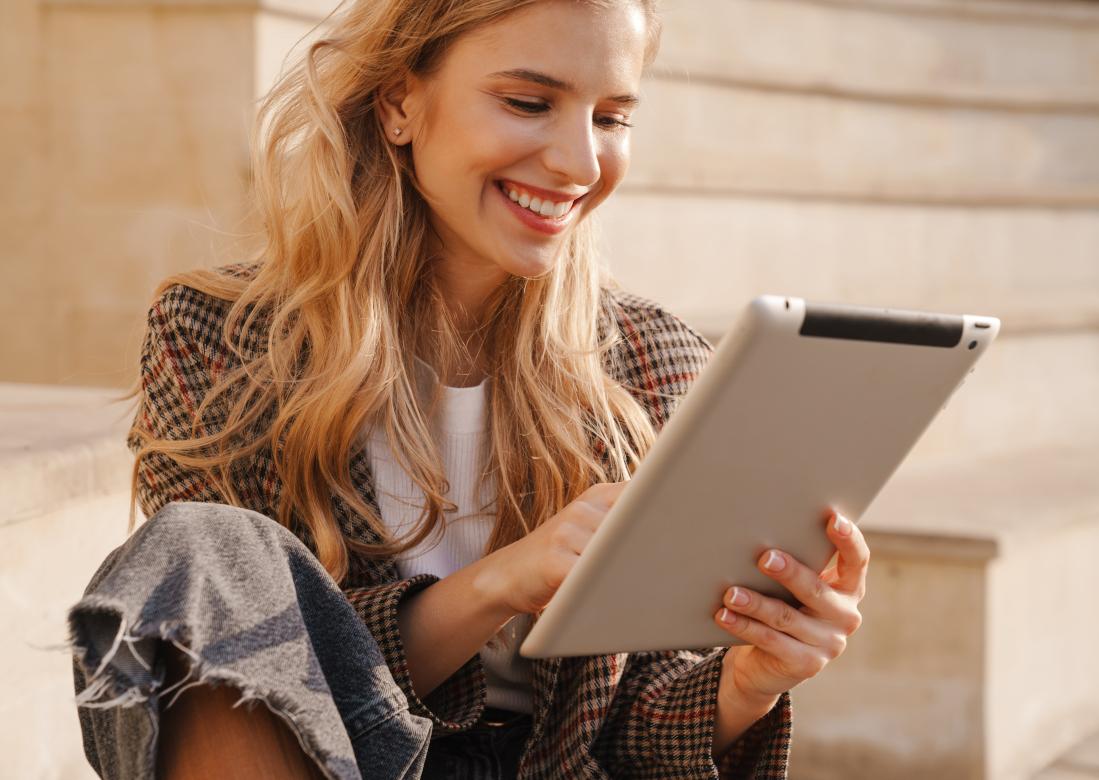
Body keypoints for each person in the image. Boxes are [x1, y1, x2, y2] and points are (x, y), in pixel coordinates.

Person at [68, 0, 869, 777]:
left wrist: (746, 684)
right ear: (399, 105)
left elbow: (632, 737)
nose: (581, 164)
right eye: (529, 102)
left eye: (611, 118)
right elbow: (253, 672)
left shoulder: (653, 363)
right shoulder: (218, 340)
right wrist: (500, 583)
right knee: (202, 549)